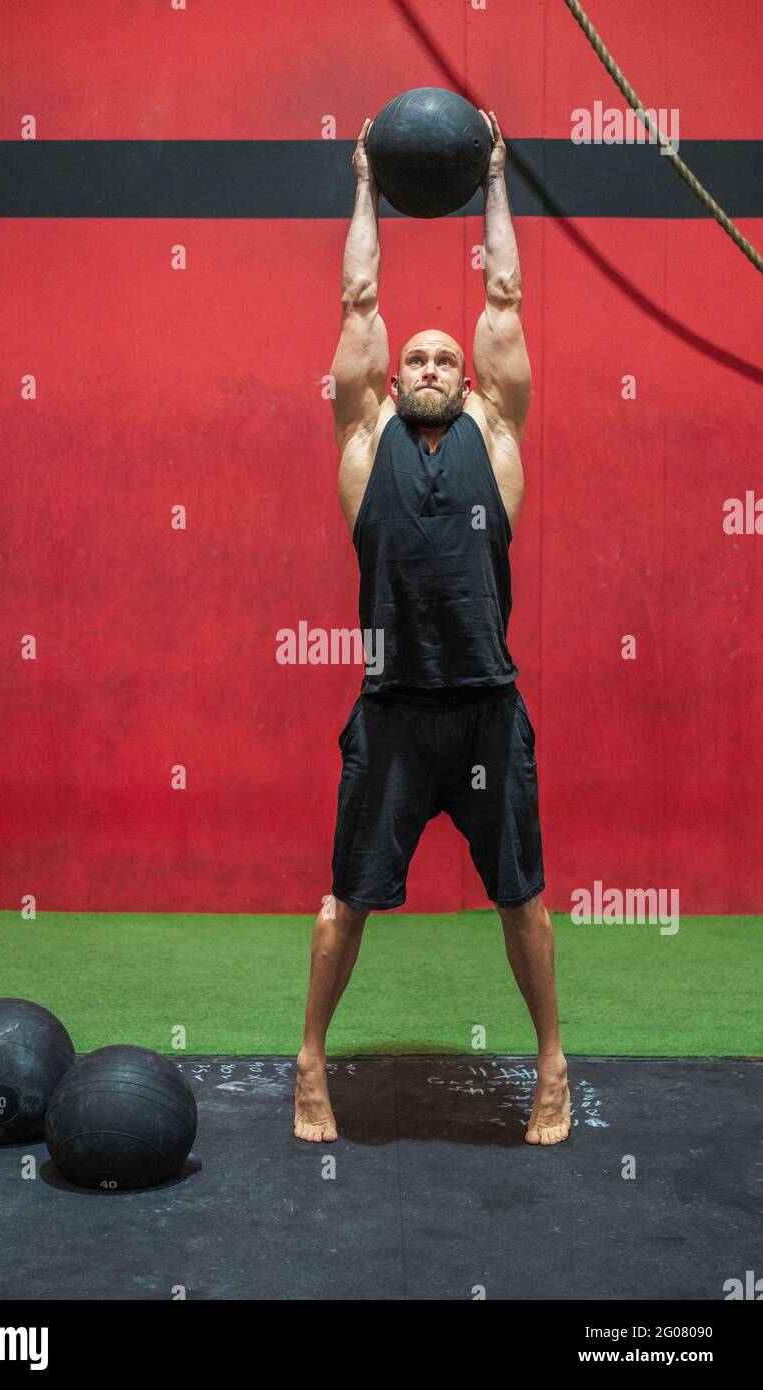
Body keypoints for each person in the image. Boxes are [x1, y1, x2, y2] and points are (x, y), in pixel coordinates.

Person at [294, 112, 570, 1146]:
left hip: (488, 713)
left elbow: (502, 297)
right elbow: (356, 298)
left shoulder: (493, 442)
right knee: (341, 905)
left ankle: (550, 1069)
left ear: (470, 383)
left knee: (524, 905)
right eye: (413, 359)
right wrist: (366, 180)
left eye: (442, 360)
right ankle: (310, 1066)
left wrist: (494, 175)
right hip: (392, 714)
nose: (425, 366)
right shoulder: (361, 445)